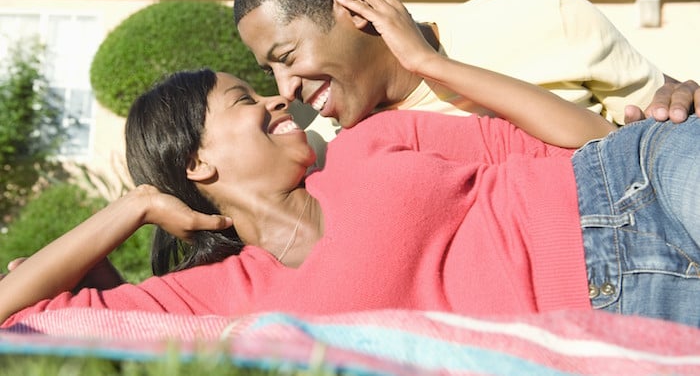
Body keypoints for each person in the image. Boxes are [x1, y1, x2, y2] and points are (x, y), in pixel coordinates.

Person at [1, 61, 698, 329]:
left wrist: (667, 111)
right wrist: (134, 206)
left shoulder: (367, 141)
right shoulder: (223, 298)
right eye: (246, 99)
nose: (279, 99)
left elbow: (584, 142)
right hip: (630, 309)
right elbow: (13, 317)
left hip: (632, 182)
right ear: (197, 162)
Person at [233, 0, 699, 143]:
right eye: (270, 70)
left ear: (354, 6)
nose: (284, 88)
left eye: (287, 56)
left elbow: (658, 127)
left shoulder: (540, 14)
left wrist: (684, 103)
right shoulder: (323, 149)